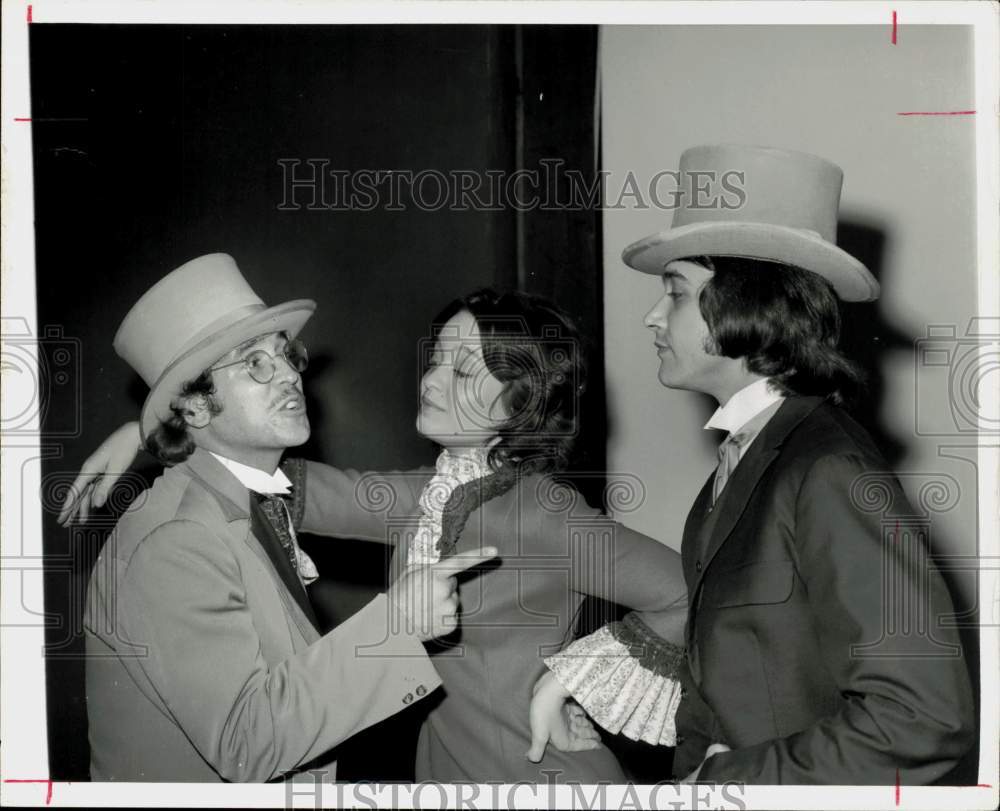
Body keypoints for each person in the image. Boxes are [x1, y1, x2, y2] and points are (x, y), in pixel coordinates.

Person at [63, 286, 690, 783]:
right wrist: (153, 431)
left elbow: (690, 591)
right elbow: (266, 469)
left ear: (523, 401)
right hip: (449, 777)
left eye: (464, 371)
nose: (431, 381)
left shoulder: (549, 513)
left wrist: (567, 682)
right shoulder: (427, 491)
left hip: (539, 777)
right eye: (437, 359)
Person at [530, 144, 976, 784]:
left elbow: (923, 717)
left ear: (746, 304)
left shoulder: (828, 471)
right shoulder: (747, 459)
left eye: (675, 292)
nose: (654, 316)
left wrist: (731, 782)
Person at [77, 253, 498, 782]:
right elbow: (245, 743)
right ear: (196, 408)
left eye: (285, 354)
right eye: (254, 363)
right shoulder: (178, 540)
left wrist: (147, 432)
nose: (290, 377)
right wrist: (397, 626)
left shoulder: (241, 495)